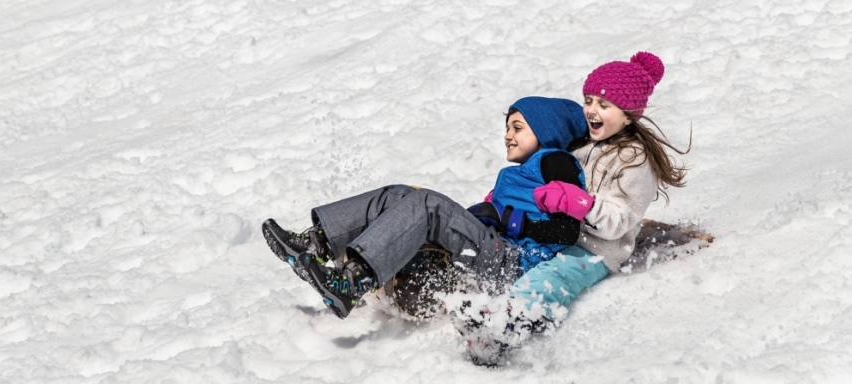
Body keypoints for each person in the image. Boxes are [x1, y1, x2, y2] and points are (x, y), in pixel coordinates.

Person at [453, 51, 691, 365]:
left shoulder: (636, 162)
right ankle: (480, 306)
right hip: (556, 236)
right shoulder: (580, 146)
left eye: (604, 105)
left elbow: (618, 222)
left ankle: (504, 333)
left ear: (629, 114)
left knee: (551, 279)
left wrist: (581, 205)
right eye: (589, 100)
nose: (592, 110)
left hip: (593, 250)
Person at [261, 96, 590, 321]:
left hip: (514, 265)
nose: (507, 135)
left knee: (428, 203)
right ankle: (317, 243)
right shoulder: (517, 173)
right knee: (400, 194)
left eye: (518, 128)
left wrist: (515, 224)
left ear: (548, 133)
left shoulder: (556, 162)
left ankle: (352, 283)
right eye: (506, 128)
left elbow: (568, 230)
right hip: (495, 252)